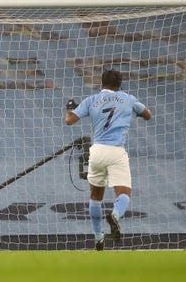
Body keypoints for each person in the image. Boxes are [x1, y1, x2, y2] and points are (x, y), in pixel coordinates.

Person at [65, 69, 152, 251]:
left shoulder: (91, 100)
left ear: (101, 83)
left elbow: (69, 120)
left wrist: (70, 108)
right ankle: (115, 215)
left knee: (95, 197)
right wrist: (136, 112)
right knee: (124, 193)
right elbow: (148, 115)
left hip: (97, 152)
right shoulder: (128, 98)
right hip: (116, 152)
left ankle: (98, 237)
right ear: (120, 85)